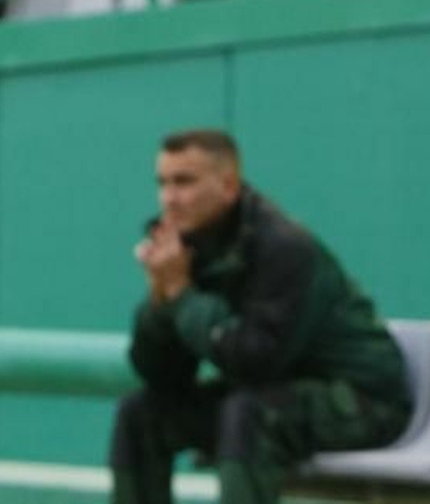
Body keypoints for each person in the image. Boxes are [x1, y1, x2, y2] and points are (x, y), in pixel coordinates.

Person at [110, 130, 410, 504]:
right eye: (162, 183)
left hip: (364, 402)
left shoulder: (283, 247)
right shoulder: (188, 247)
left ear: (229, 186)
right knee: (141, 413)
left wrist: (182, 296)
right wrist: (161, 301)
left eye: (184, 182)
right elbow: (161, 374)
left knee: (249, 415)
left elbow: (256, 361)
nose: (169, 198)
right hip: (275, 394)